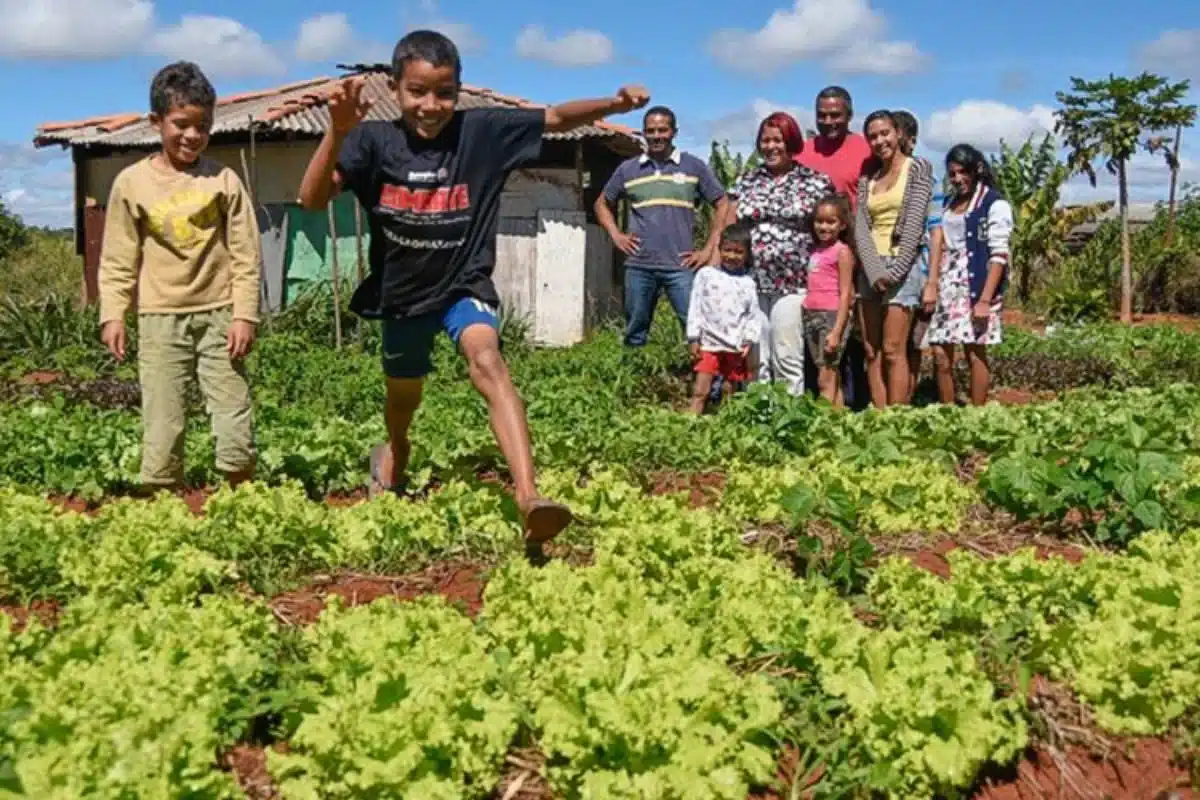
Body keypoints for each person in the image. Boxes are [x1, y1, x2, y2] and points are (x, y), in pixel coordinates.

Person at [296, 30, 649, 543]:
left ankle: (529, 497)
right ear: (396, 88)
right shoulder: (373, 141)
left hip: (465, 283)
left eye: (444, 92)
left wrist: (613, 103)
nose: (430, 105)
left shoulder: (481, 132)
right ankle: (397, 447)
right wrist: (337, 131)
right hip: (401, 294)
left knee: (488, 361)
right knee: (404, 397)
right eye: (417, 91)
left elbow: (554, 118)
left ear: (459, 90)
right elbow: (309, 201)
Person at [98, 61, 261, 493]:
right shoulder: (132, 184)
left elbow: (246, 254)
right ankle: (164, 506)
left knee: (232, 410)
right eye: (181, 124)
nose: (192, 135)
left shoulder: (223, 180)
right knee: (163, 416)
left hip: (220, 315)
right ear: (157, 123)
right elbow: (117, 258)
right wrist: (113, 314)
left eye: (202, 126)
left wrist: (245, 314)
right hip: (159, 318)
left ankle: (240, 497)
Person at [595, 106, 729, 347]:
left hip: (681, 265)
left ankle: (703, 382)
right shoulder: (629, 169)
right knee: (635, 333)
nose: (656, 136)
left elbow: (722, 203)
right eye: (650, 131)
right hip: (639, 265)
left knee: (695, 330)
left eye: (662, 130)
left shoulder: (693, 166)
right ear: (644, 134)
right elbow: (602, 204)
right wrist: (616, 235)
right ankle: (634, 380)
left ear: (673, 132)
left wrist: (709, 248)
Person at [721, 112, 835, 395]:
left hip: (793, 284)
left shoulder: (814, 181)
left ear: (791, 142)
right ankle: (756, 418)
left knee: (787, 355)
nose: (771, 147)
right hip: (751, 282)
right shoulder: (747, 181)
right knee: (755, 355)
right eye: (765, 141)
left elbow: (829, 229)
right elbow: (728, 227)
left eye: (778, 140)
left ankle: (788, 418)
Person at [794, 85, 873, 409]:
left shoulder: (865, 149)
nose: (829, 121)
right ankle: (823, 399)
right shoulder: (804, 151)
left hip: (855, 248)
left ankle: (855, 399)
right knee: (818, 328)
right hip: (814, 253)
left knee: (855, 328)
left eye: (835, 115)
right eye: (822, 115)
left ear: (849, 115)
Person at [921, 144, 1013, 406]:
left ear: (976, 171)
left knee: (974, 350)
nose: (958, 179)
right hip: (947, 284)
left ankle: (977, 414)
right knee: (940, 351)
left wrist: (985, 300)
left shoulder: (993, 204)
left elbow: (998, 254)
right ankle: (949, 411)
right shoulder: (948, 203)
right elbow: (937, 240)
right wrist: (933, 282)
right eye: (953, 174)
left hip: (975, 285)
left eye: (963, 172)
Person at [854, 110, 935, 408]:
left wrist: (895, 270)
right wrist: (874, 271)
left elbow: (914, 223)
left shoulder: (918, 169)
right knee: (871, 350)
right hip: (870, 268)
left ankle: (897, 417)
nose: (879, 141)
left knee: (893, 349)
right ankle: (880, 412)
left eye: (885, 133)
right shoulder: (868, 178)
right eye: (873, 136)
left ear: (898, 134)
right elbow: (861, 225)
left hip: (902, 268)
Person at [685, 221, 759, 414]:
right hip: (708, 343)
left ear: (747, 254)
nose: (732, 256)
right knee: (701, 390)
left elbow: (752, 314)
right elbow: (695, 306)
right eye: (727, 250)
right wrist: (694, 338)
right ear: (719, 249)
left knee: (729, 392)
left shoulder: (748, 283)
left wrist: (749, 340)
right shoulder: (706, 275)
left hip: (734, 344)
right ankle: (687, 428)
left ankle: (725, 429)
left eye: (738, 252)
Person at [891, 109, 936, 402]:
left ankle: (908, 399)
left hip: (918, 269)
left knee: (913, 344)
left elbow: (935, 230)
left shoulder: (921, 173)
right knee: (894, 344)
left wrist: (932, 280)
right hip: (894, 265)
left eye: (897, 135)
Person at [802, 195, 856, 407]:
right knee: (829, 375)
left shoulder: (842, 252)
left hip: (831, 317)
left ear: (842, 225)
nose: (824, 226)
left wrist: (837, 331)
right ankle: (838, 424)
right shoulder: (815, 250)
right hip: (811, 315)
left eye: (830, 222)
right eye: (819, 221)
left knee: (825, 378)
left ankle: (823, 427)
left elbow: (845, 294)